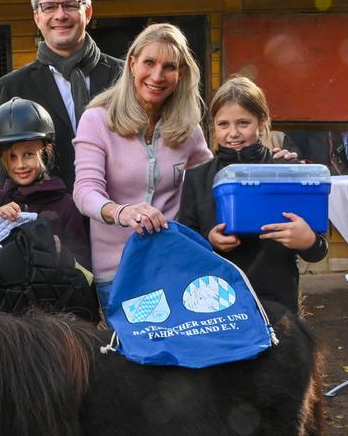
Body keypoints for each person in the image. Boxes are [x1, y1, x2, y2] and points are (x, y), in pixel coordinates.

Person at [72, 23, 213, 314]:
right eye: (149, 62)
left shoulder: (188, 127)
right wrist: (122, 212)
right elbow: (85, 192)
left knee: (177, 356)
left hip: (174, 267)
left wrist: (265, 161)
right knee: (136, 357)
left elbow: (213, 182)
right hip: (119, 272)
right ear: (133, 64)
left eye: (169, 67)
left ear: (181, 73)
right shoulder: (97, 120)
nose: (158, 76)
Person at [177, 75, 328, 314]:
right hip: (217, 303)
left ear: (262, 121)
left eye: (243, 123)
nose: (233, 133)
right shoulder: (198, 178)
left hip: (277, 305)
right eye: (223, 124)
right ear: (212, 125)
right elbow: (183, 245)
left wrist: (307, 239)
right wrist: (209, 241)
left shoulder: (286, 172)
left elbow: (318, 250)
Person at [0, 0, 123, 191]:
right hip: (50, 218)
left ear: (88, 12)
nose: (60, 15)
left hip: (119, 213)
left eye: (70, 5)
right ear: (37, 17)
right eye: (49, 7)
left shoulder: (123, 76)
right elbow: (8, 166)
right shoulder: (14, 87)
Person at [0, 97, 91, 269]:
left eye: (28, 154)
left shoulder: (67, 206)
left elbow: (85, 271)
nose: (20, 165)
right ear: (2, 159)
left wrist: (62, 253)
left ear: (45, 152)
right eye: (12, 157)